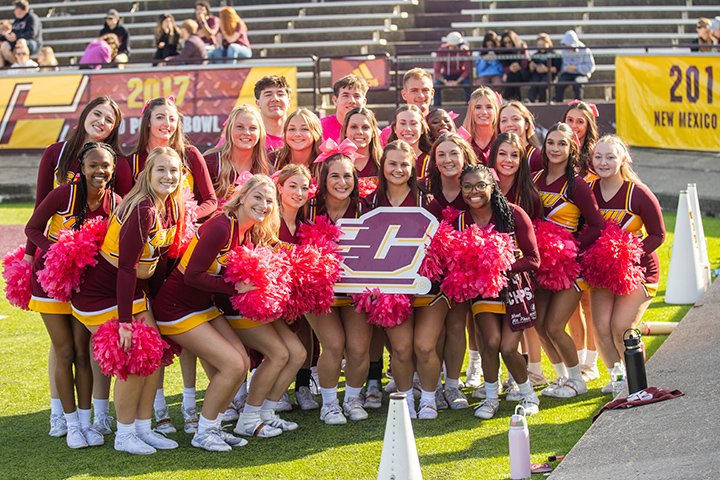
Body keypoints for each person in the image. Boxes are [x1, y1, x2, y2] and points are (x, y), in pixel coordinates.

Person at [71, 147, 183, 455]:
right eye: (160, 170)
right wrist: (124, 322)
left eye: (173, 171)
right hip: (102, 294)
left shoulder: (169, 206)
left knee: (155, 355)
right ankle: (125, 434)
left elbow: (158, 263)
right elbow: (125, 268)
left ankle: (144, 429)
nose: (168, 176)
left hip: (133, 292)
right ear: (147, 173)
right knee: (134, 360)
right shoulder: (142, 208)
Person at [25, 143, 120, 449]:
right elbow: (33, 227)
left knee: (83, 353)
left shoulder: (114, 202)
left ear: (113, 168)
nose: (99, 171)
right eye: (93, 165)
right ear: (81, 167)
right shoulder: (64, 194)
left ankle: (86, 421)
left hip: (84, 286)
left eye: (105, 165)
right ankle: (70, 425)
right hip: (51, 281)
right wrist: (59, 253)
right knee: (64, 352)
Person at [455, 164, 541, 420]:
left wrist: (501, 266)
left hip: (515, 288)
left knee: (508, 347)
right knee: (490, 343)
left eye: (481, 185)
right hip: (483, 291)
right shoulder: (460, 221)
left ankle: (528, 395)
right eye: (468, 186)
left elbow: (534, 259)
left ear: (492, 187)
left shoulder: (514, 214)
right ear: (461, 189)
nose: (474, 192)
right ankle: (491, 398)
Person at [532, 122, 603, 399]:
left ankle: (577, 378)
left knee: (553, 325)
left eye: (562, 143)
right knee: (538, 324)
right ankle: (562, 378)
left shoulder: (577, 185)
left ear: (571, 147)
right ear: (544, 145)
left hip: (568, 267)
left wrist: (570, 246)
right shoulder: (535, 179)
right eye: (551, 142)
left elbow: (596, 225)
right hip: (542, 264)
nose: (555, 148)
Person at [588, 135, 665, 394]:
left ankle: (636, 378)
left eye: (610, 157)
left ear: (623, 159)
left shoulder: (638, 193)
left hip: (638, 270)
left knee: (621, 327)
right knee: (599, 327)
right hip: (603, 271)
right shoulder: (589, 191)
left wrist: (627, 254)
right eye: (598, 156)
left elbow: (658, 234)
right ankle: (618, 377)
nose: (603, 162)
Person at [304, 149, 372, 425]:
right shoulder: (307, 208)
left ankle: (353, 398)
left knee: (358, 348)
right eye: (335, 176)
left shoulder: (366, 210)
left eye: (347, 176)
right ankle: (330, 404)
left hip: (355, 291)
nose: (342, 182)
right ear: (323, 179)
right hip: (320, 293)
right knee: (333, 345)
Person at [414, 133, 477, 419]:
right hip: (431, 270)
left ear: (464, 156)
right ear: (434, 161)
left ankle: (453, 385)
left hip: (463, 270)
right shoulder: (424, 189)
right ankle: (433, 385)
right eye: (442, 155)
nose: (448, 160)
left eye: (454, 154)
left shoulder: (475, 185)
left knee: (456, 327)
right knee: (433, 330)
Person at [365, 140, 427, 416]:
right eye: (392, 163)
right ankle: (406, 402)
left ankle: (429, 397)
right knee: (401, 348)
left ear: (413, 167)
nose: (398, 169)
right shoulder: (371, 201)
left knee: (425, 346)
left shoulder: (427, 199)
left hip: (424, 285)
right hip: (390, 288)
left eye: (404, 164)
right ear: (382, 166)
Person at [127, 97, 217, 221]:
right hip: (146, 228)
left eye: (172, 119)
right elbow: (126, 203)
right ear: (148, 122)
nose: (167, 124)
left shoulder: (190, 154)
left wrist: (187, 216)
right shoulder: (133, 161)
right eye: (160, 117)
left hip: (184, 231)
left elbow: (211, 201)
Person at [275, 164, 319, 411]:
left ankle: (302, 386)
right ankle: (278, 390)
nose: (299, 193)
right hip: (274, 295)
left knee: (305, 329)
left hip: (299, 296)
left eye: (304, 188)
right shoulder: (269, 221)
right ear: (280, 188)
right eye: (292, 186)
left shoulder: (306, 225)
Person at [204, 104, 273, 205]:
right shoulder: (211, 162)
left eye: (253, 128)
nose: (246, 132)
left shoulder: (268, 166)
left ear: (260, 133)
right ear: (230, 129)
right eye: (240, 127)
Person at [380, 68, 435, 145]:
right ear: (404, 94)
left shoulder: (441, 127)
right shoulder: (388, 133)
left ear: (432, 93)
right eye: (414, 91)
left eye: (425, 90)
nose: (421, 95)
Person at [386, 104, 433, 178]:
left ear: (422, 129)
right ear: (395, 128)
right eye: (403, 123)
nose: (408, 129)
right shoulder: (385, 159)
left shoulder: (430, 161)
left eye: (413, 124)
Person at [273, 108, 323, 176]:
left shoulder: (325, 163)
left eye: (304, 129)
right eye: (292, 129)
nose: (297, 134)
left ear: (316, 133)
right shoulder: (274, 159)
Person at [320, 74, 368, 142]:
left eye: (356, 96)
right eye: (345, 96)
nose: (352, 101)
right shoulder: (320, 128)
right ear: (335, 100)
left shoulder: (372, 132)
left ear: (364, 102)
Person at [498, 101, 543, 172]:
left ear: (526, 125)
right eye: (504, 120)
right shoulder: (495, 154)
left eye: (515, 119)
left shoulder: (536, 157)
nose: (509, 124)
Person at [340, 106, 383, 180]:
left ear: (373, 133)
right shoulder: (335, 163)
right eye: (354, 127)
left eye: (365, 127)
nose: (359, 132)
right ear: (345, 132)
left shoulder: (384, 161)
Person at [461, 86, 501, 165]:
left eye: (489, 107)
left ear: (496, 110)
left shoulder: (503, 136)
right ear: (471, 110)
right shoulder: (461, 138)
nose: (484, 112)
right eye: (478, 107)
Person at [433, 31, 473, 106]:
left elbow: (467, 70)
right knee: (436, 85)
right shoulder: (441, 51)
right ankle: (436, 107)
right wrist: (445, 82)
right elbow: (437, 71)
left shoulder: (464, 50)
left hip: (460, 75)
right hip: (446, 75)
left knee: (468, 83)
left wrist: (457, 81)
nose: (460, 46)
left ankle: (469, 106)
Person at [562, 100, 600, 179]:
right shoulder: (554, 150)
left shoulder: (596, 154)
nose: (573, 126)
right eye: (570, 120)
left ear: (588, 126)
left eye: (580, 121)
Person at [554, 30, 595, 102]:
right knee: (560, 83)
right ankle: (558, 102)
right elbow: (563, 65)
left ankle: (579, 104)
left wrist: (577, 68)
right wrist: (567, 68)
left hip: (582, 73)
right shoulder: (564, 50)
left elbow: (590, 67)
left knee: (577, 84)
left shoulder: (585, 50)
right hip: (568, 73)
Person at [254, 75, 292, 153]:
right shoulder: (247, 138)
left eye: (280, 94)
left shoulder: (300, 138)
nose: (275, 99)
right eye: (268, 94)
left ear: (289, 102)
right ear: (258, 103)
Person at [0, 0, 42, 65]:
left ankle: (21, 66)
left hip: (32, 43)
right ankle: (16, 65)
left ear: (19, 9)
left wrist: (17, 37)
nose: (14, 11)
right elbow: (12, 33)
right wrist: (6, 36)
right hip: (17, 41)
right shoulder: (17, 21)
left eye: (15, 9)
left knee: (21, 41)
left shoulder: (32, 18)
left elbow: (32, 34)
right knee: (4, 46)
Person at [527, 33, 561, 103]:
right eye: (539, 45)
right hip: (537, 75)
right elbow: (531, 69)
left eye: (543, 45)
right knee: (534, 82)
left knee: (543, 84)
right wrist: (532, 67)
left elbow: (557, 69)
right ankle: (530, 99)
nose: (541, 47)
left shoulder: (554, 54)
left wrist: (546, 69)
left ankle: (543, 101)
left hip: (549, 75)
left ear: (548, 43)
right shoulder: (535, 55)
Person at [498, 30, 529, 101]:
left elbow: (525, 64)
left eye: (510, 42)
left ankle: (507, 98)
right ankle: (516, 99)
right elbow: (504, 66)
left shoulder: (522, 46)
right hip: (511, 74)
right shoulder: (503, 51)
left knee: (514, 74)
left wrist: (518, 67)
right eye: (505, 43)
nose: (507, 44)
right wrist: (509, 69)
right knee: (512, 74)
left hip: (523, 72)